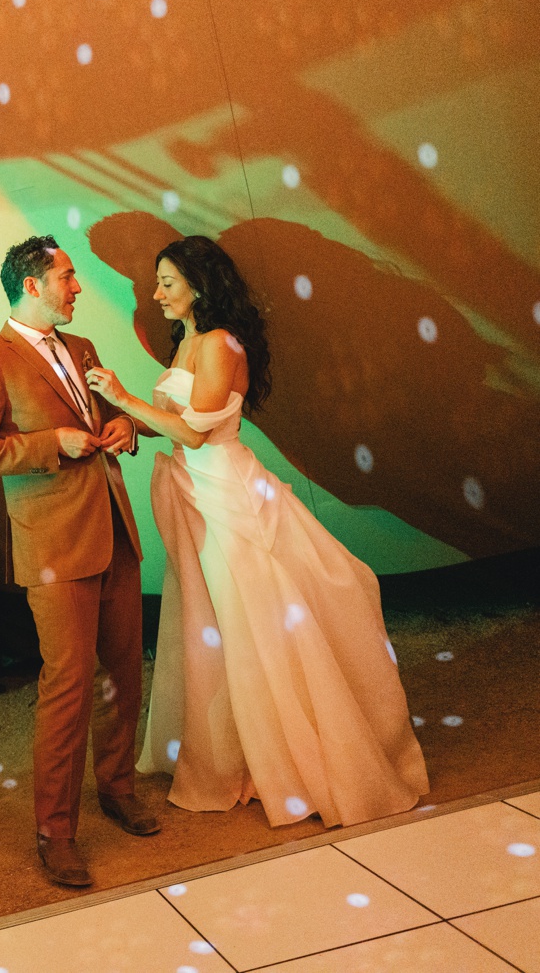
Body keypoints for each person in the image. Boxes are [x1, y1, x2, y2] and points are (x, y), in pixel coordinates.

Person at [84, 235, 429, 827]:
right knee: (219, 628)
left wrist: (123, 399)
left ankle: (307, 761)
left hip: (229, 497)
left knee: (255, 626)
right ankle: (242, 752)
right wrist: (130, 429)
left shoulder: (218, 342)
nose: (157, 292)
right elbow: (178, 430)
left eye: (167, 282)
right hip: (199, 495)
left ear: (200, 284)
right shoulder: (189, 340)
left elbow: (195, 433)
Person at [0, 236, 160, 888]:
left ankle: (118, 786)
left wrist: (122, 429)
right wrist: (50, 443)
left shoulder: (84, 348)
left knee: (124, 671)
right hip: (55, 550)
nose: (77, 288)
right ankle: (55, 832)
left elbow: (104, 421)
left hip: (115, 535)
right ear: (34, 285)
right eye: (67, 278)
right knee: (68, 688)